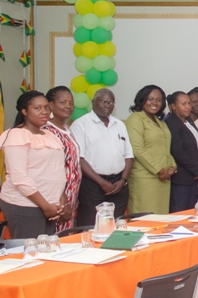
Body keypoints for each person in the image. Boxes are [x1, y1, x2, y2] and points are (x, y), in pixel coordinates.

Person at [0, 91, 69, 238]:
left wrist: (61, 200)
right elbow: (19, 178)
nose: (44, 112)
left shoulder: (51, 136)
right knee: (30, 253)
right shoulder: (16, 135)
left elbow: (56, 171)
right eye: (38, 108)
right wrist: (45, 206)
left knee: (45, 252)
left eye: (46, 107)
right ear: (24, 111)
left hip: (51, 206)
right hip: (25, 206)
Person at [71, 89, 133, 225]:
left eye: (111, 102)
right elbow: (79, 159)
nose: (107, 105)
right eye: (103, 102)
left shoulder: (119, 125)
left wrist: (123, 180)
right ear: (93, 102)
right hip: (93, 185)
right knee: (91, 226)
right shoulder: (80, 125)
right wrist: (102, 182)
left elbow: (129, 156)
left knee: (116, 226)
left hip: (119, 185)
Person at [125, 85, 176, 214]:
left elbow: (165, 147)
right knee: (145, 220)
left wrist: (173, 166)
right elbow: (137, 149)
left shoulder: (161, 122)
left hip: (164, 180)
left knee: (160, 220)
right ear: (142, 100)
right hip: (145, 180)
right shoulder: (135, 119)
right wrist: (159, 170)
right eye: (150, 99)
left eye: (158, 100)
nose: (154, 103)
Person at [43, 86, 80, 233]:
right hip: (57, 198)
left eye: (71, 103)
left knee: (66, 238)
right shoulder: (47, 130)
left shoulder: (65, 127)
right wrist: (63, 200)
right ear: (51, 105)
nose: (68, 106)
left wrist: (75, 196)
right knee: (56, 238)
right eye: (63, 102)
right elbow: (50, 169)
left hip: (71, 195)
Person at [164, 91, 198, 213]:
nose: (188, 107)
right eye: (183, 104)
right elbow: (178, 152)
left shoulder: (188, 121)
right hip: (182, 179)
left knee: (192, 213)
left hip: (194, 178)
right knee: (181, 214)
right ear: (173, 106)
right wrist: (197, 169)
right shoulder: (172, 123)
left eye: (189, 103)